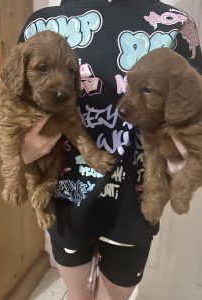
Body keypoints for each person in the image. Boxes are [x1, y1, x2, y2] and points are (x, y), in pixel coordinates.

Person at [19, 1, 202, 299]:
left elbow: (194, 107)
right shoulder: (41, 24)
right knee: (78, 294)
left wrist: (184, 161)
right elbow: (14, 102)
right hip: (64, 199)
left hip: (134, 207)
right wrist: (21, 153)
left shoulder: (176, 25)